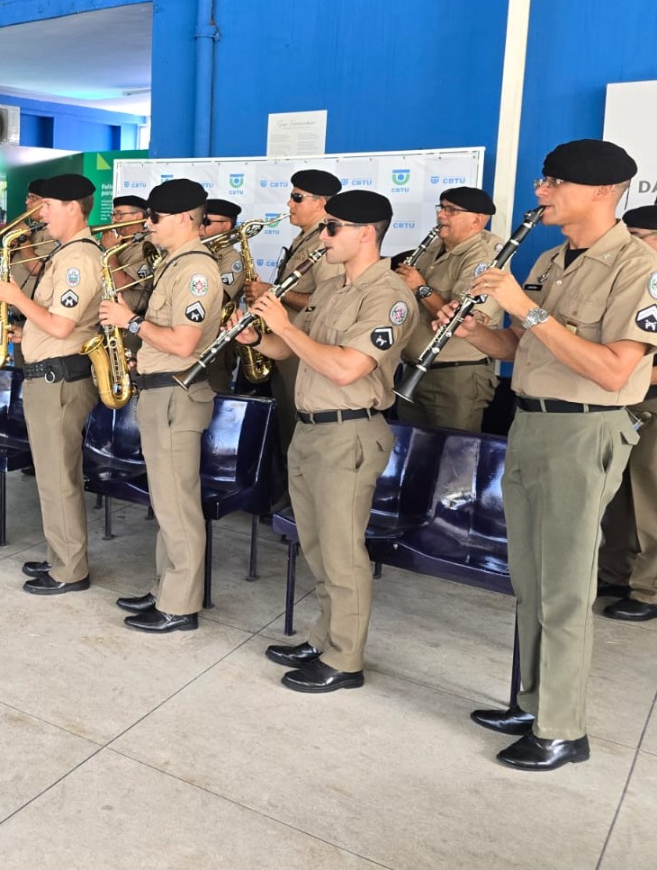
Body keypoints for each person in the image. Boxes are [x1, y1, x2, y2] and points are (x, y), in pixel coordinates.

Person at [450, 141, 657, 771]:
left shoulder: (640, 268)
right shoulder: (553, 255)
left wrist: (526, 309)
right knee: (531, 579)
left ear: (601, 191)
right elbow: (522, 343)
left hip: (585, 431)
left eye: (553, 182)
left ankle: (563, 729)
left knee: (566, 586)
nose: (540, 192)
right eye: (543, 180)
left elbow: (614, 367)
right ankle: (533, 700)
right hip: (532, 423)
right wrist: (476, 331)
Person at [238, 190, 417, 692]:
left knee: (342, 552)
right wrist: (256, 338)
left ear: (367, 233)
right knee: (315, 546)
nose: (323, 234)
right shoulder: (333, 286)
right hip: (312, 430)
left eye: (332, 227)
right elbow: (291, 349)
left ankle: (346, 659)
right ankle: (324, 636)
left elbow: (345, 366)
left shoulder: (390, 297)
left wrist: (282, 329)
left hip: (350, 432)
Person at [99, 179, 222, 631]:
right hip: (160, 390)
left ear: (186, 219)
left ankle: (180, 606)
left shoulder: (195, 270)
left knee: (178, 504)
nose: (147, 224)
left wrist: (130, 320)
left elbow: (186, 342)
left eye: (155, 217)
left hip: (177, 396)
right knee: (166, 501)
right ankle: (166, 588)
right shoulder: (175, 264)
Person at [0, 173, 104, 594]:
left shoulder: (77, 259)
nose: (41, 214)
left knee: (59, 478)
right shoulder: (65, 253)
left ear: (74, 208)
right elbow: (55, 325)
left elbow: (61, 325)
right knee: (51, 477)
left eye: (49, 207)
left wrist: (17, 299)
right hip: (50, 374)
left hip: (60, 381)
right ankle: (61, 555)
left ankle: (70, 570)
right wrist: (26, 334)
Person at [245, 170, 344, 465]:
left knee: (297, 429)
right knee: (285, 425)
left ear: (321, 203)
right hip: (284, 347)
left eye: (297, 198)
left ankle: (294, 501)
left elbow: (327, 304)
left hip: (303, 351)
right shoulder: (305, 239)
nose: (289, 204)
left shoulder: (325, 244)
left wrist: (274, 293)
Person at [394, 187, 503, 432]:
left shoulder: (484, 257)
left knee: (453, 458)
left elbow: (463, 320)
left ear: (476, 219)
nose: (441, 215)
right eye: (441, 208)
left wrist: (421, 288)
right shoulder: (433, 248)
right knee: (412, 456)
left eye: (451, 210)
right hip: (414, 371)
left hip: (455, 378)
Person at [597, 203, 657, 622]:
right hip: (620, 402)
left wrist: (626, 371)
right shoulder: (630, 282)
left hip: (650, 401)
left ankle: (649, 589)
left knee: (651, 500)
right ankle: (615, 572)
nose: (630, 246)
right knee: (616, 496)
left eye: (639, 237)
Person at [198, 197, 244, 394]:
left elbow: (220, 299)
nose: (200, 226)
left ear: (226, 225)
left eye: (206, 222)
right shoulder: (198, 252)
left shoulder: (232, 259)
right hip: (190, 340)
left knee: (213, 395)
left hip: (215, 343)